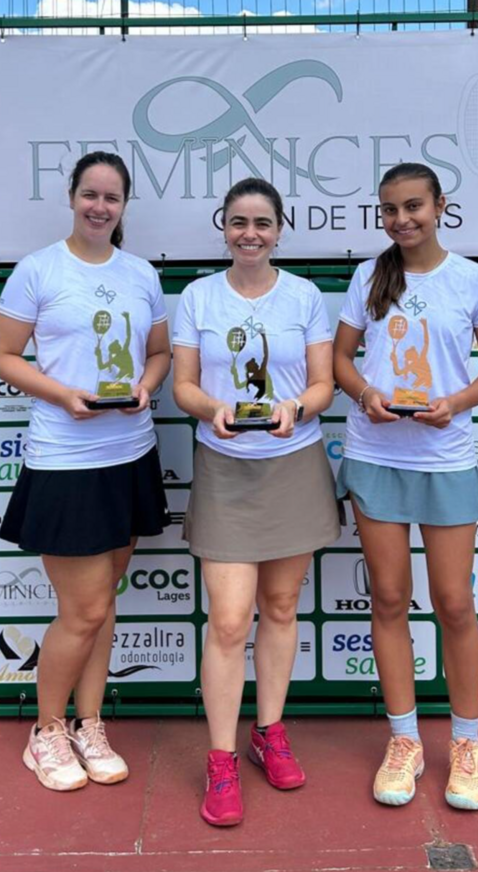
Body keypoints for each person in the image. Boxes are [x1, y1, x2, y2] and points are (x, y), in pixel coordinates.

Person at [0, 151, 171, 792]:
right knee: (83, 609)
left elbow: (157, 353)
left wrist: (147, 386)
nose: (100, 206)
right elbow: (3, 356)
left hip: (130, 455)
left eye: (112, 198)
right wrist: (62, 394)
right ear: (72, 197)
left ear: (124, 208)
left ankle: (89, 724)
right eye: (90, 194)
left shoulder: (141, 274)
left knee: (102, 606)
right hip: (66, 460)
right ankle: (45, 731)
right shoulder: (38, 269)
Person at [332, 163, 478, 812]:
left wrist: (454, 402)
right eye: (390, 209)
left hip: (444, 457)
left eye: (414, 206)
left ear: (440, 206)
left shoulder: (473, 278)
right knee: (388, 598)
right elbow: (341, 361)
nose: (402, 219)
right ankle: (403, 740)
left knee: (455, 602)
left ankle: (467, 744)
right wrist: (366, 394)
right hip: (375, 453)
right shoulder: (368, 276)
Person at [172, 178, 340, 827]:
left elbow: (325, 383)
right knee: (229, 620)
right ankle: (221, 759)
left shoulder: (303, 296)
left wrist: (296, 406)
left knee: (279, 605)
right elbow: (183, 386)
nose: (250, 233)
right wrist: (213, 408)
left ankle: (269, 732)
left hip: (293, 464)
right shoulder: (196, 296)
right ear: (224, 226)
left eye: (262, 223)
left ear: (279, 229)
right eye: (239, 221)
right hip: (224, 469)